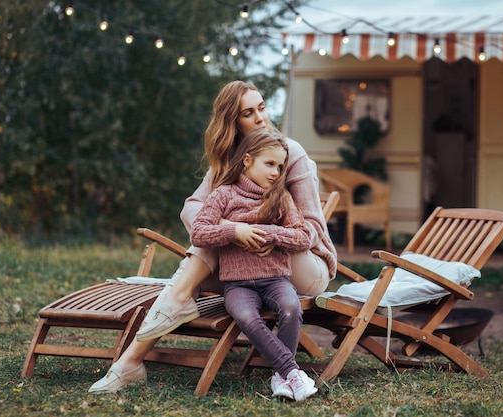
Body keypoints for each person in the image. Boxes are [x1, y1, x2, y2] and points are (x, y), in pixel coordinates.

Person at [88, 80, 337, 394]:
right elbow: (191, 208)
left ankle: (154, 330)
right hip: (245, 272)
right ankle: (131, 363)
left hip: (304, 267)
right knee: (207, 241)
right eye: (248, 113)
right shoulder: (234, 159)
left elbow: (312, 229)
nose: (260, 118)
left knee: (204, 246)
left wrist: (265, 235)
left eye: (261, 108)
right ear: (232, 122)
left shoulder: (289, 152)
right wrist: (232, 229)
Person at [190, 129, 317, 400]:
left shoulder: (281, 198)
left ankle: (281, 378)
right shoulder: (224, 195)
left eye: (280, 166)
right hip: (237, 284)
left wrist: (269, 232)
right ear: (247, 161)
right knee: (246, 316)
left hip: (276, 279)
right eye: (269, 164)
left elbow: (303, 237)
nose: (276, 172)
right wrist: (235, 232)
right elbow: (198, 232)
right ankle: (291, 372)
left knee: (291, 307)